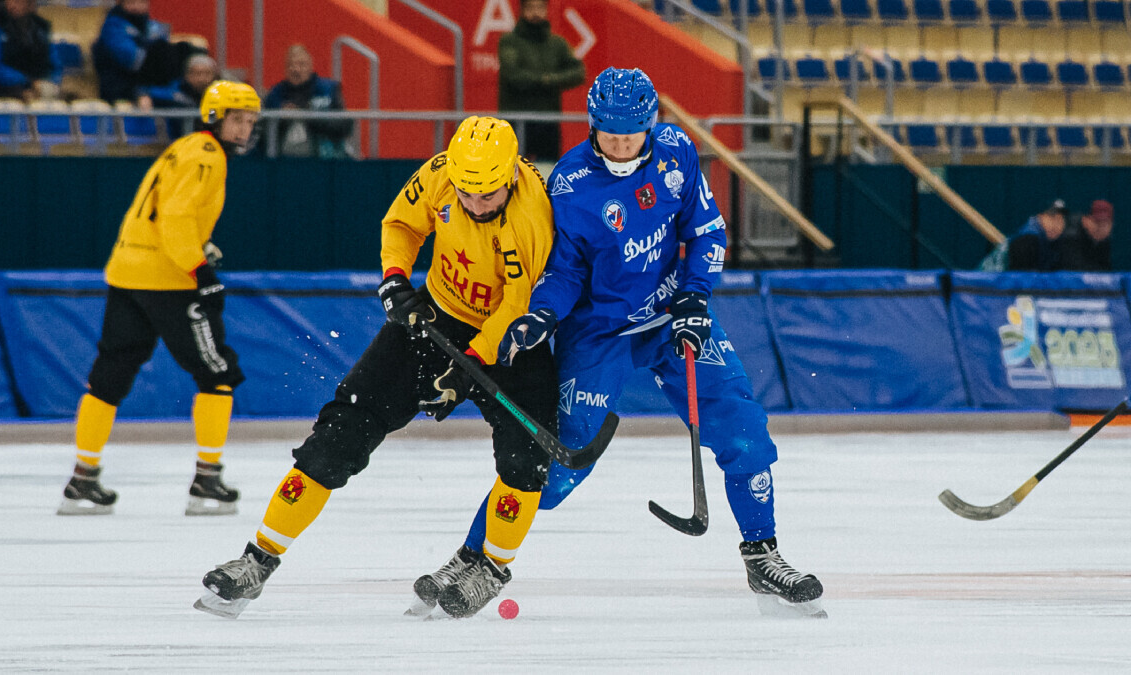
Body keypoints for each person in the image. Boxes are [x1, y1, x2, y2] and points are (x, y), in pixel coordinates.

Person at [421, 67, 826, 617]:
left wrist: (695, 297)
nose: (618, 146)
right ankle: (472, 556)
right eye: (607, 134)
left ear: (650, 124)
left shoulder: (677, 152)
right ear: (592, 124)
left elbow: (705, 230)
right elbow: (563, 270)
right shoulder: (567, 183)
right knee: (558, 463)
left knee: (745, 428)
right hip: (598, 333)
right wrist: (542, 315)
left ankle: (763, 555)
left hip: (669, 318)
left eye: (629, 135)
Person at [196, 116, 559, 620]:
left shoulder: (530, 217)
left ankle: (492, 565)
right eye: (467, 194)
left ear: (511, 180)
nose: (476, 206)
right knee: (340, 430)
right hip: (437, 313)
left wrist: (470, 366)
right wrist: (394, 279)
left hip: (511, 337)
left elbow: (514, 304)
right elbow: (402, 224)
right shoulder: (441, 173)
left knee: (528, 454)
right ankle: (257, 558)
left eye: (488, 197)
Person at [57, 81, 261, 517]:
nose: (245, 128)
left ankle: (82, 478)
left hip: (128, 271)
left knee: (109, 374)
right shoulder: (207, 157)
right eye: (238, 119)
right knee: (218, 373)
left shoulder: (184, 147)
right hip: (169, 280)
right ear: (214, 117)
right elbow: (176, 215)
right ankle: (207, 481)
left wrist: (196, 248)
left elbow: (159, 212)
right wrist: (201, 270)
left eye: (250, 121)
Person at [498, 0, 585, 162]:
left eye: (540, 7)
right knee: (511, 170)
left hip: (548, 122)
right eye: (531, 8)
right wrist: (547, 80)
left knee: (548, 171)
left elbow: (578, 73)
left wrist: (548, 79)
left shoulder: (557, 43)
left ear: (546, 10)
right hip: (515, 121)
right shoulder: (509, 41)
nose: (535, 13)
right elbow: (513, 76)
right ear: (522, 10)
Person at [92, 0, 201, 108]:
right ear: (121, 4)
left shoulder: (152, 26)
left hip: (153, 86)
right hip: (122, 88)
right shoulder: (112, 27)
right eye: (131, 2)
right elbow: (134, 61)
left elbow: (166, 63)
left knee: (186, 48)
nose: (137, 7)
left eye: (142, 2)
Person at [263, 44, 353, 158]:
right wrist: (282, 119)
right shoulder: (275, 94)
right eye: (290, 65)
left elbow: (344, 127)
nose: (296, 69)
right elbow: (264, 134)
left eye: (301, 64)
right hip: (284, 162)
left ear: (310, 66)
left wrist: (306, 116)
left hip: (326, 160)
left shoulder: (329, 89)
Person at [0, 0, 61, 102]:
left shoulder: (41, 28)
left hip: (36, 93)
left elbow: (54, 65)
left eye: (19, 1)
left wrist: (50, 83)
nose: (13, 5)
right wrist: (28, 82)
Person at [148, 53, 219, 138]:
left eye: (207, 73)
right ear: (187, 75)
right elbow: (154, 93)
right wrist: (143, 94)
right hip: (178, 141)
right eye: (197, 73)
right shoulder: (177, 93)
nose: (202, 79)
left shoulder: (219, 95)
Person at [1005, 199, 1068, 272]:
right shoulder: (1026, 240)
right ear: (1039, 217)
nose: (1056, 225)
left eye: (1060, 220)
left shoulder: (1059, 242)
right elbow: (1021, 280)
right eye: (1051, 218)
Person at [1059, 199, 1113, 271]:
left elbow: (1105, 267)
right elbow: (1072, 266)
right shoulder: (1072, 234)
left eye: (1106, 223)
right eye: (1098, 222)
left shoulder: (1104, 237)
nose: (1102, 227)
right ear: (1088, 219)